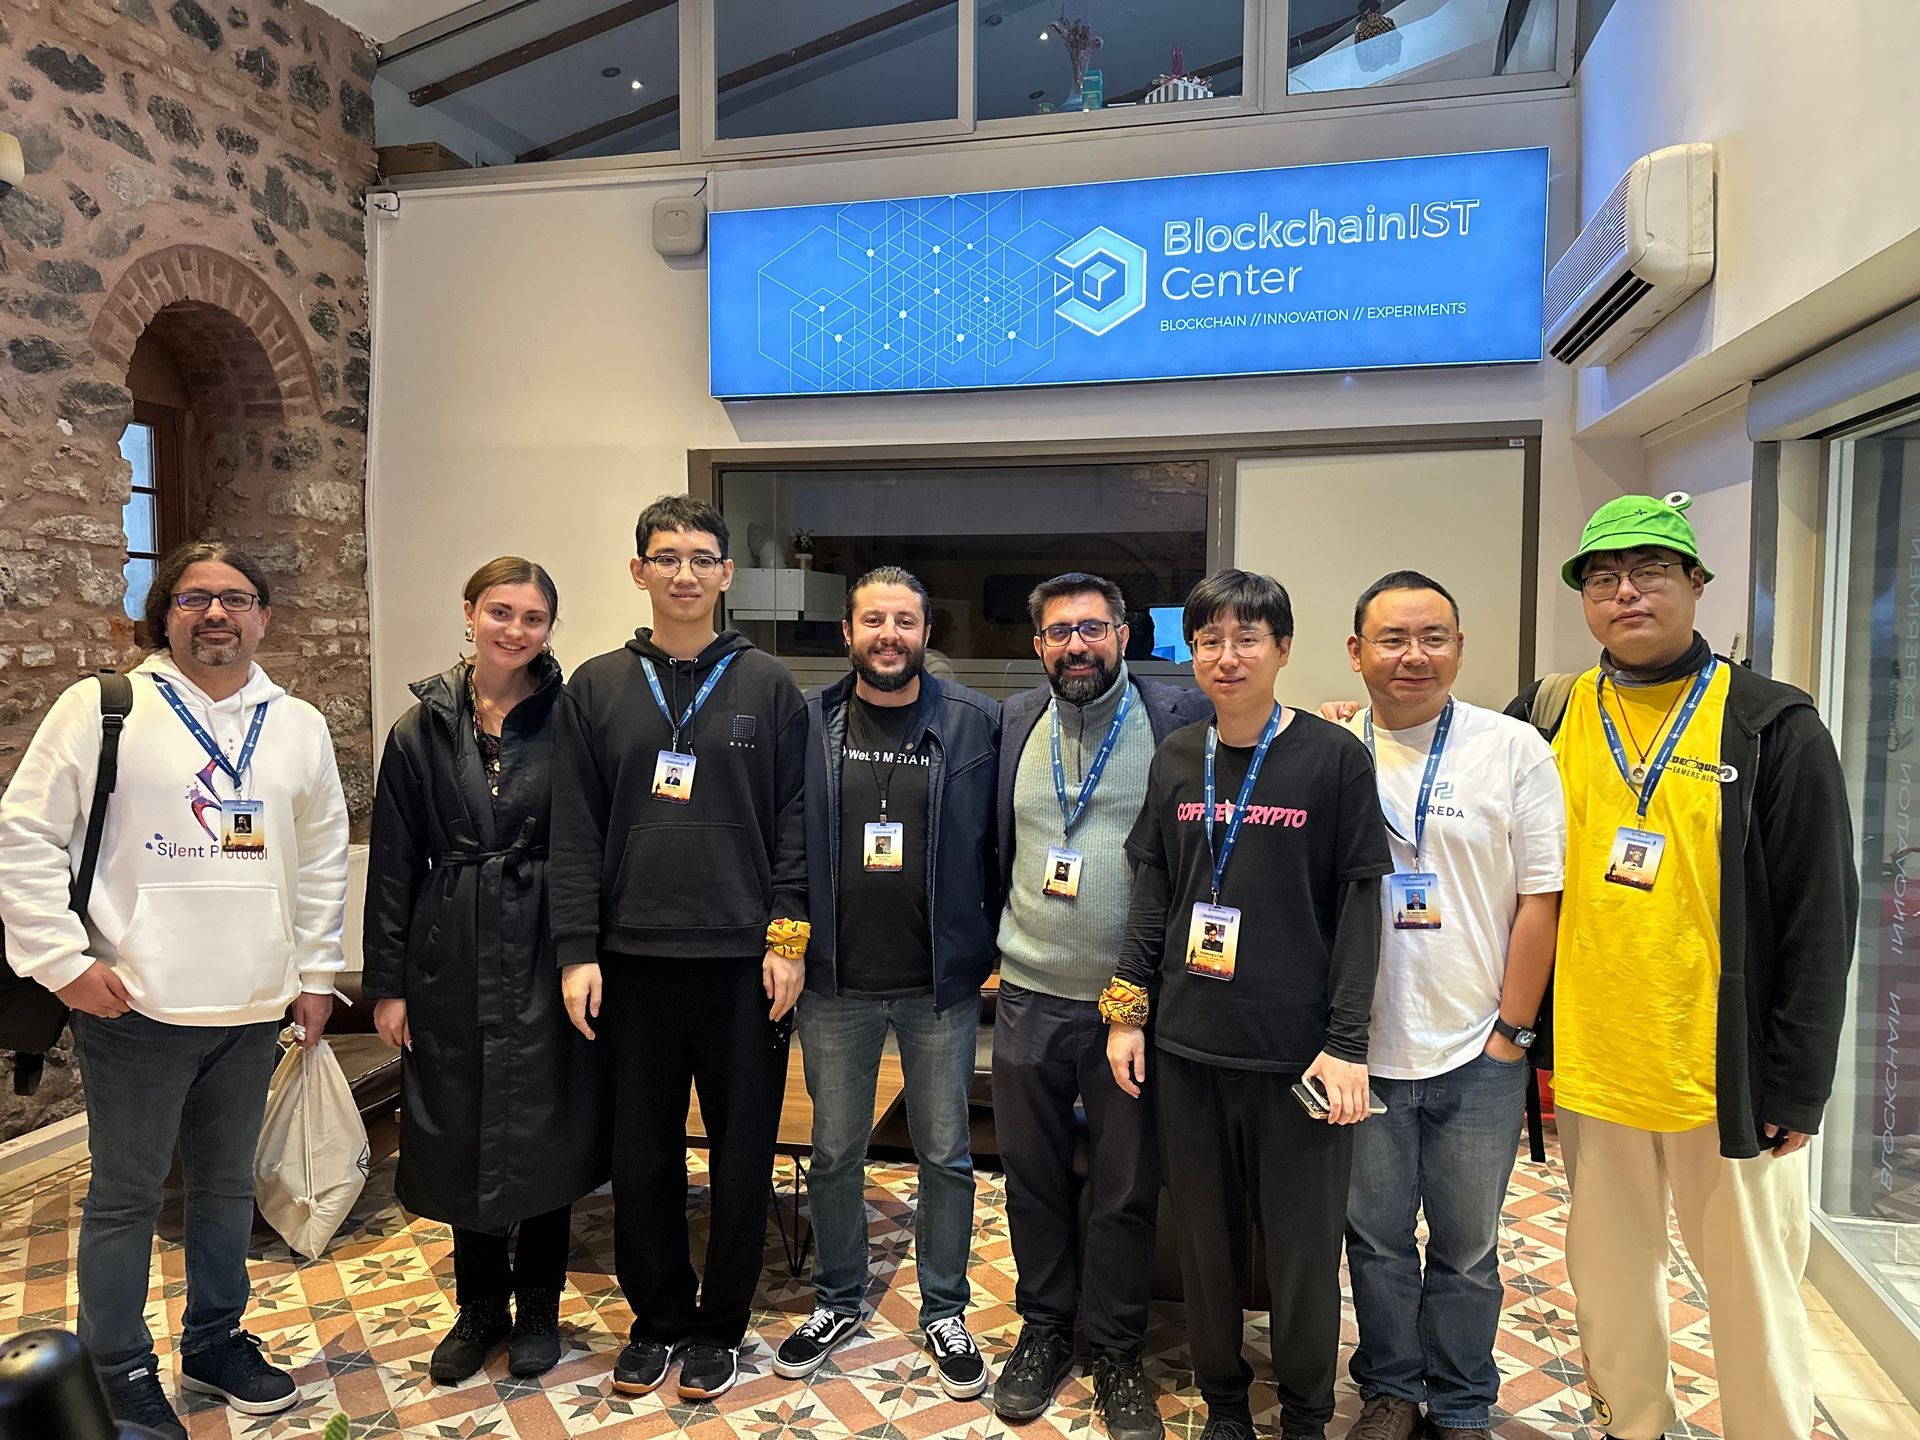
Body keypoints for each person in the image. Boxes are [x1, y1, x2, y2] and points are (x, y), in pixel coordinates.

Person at [1513, 493, 1858, 1440]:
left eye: (1651, 571)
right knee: (1611, 1286)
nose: (1626, 593)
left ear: (1696, 584)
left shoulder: (1772, 725)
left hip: (1726, 1076)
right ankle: (1636, 1426)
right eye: (1604, 577)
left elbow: (1821, 915)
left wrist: (1801, 1081)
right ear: (1584, 597)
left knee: (1753, 1299)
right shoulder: (1549, 714)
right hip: (1593, 1064)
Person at [0, 541, 349, 1440]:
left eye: (237, 598)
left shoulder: (298, 725)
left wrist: (314, 976)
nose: (217, 616)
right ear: (166, 616)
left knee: (228, 1188)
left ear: (265, 615)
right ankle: (116, 1367)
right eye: (195, 600)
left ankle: (216, 1341)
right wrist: (62, 961)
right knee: (125, 1196)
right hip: (138, 1008)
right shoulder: (103, 708)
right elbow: (27, 832)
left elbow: (318, 863)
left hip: (251, 1007)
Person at [1103, 570, 1390, 1440]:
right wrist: (1127, 1008)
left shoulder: (1333, 759)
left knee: (1304, 1257)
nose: (1226, 658)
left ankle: (1304, 1411)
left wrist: (1347, 1043)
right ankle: (1224, 1402)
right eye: (1209, 642)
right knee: (1207, 1248)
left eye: (1247, 639)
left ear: (1283, 649)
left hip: (1298, 1057)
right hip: (1190, 1049)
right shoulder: (1179, 758)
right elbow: (1154, 888)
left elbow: (1357, 906)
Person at [548, 494, 808, 1403]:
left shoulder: (770, 685)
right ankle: (656, 1319)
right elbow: (573, 831)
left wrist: (788, 940)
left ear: (727, 574)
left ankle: (719, 1327)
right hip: (631, 964)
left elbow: (796, 824)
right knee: (644, 1152)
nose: (685, 573)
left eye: (702, 557)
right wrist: (577, 950)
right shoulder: (597, 686)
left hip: (743, 967)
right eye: (667, 558)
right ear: (639, 572)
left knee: (744, 1153)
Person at [362, 557, 608, 1384]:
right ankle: (479, 1308)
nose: (515, 630)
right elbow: (393, 863)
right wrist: (387, 983)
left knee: (545, 1118)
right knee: (462, 1120)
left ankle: (539, 1303)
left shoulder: (572, 718)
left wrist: (586, 949)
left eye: (533, 618)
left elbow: (591, 843)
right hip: (452, 943)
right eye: (500, 612)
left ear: (549, 629)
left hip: (547, 938)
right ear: (469, 613)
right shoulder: (418, 728)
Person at [1338, 571, 1565, 1440]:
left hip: (1480, 1051)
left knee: (1468, 1249)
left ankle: (1463, 1400)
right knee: (1378, 1240)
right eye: (1392, 639)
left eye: (1433, 636)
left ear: (1460, 648)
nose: (1413, 656)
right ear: (1356, 652)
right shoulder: (1331, 750)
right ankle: (1392, 1388)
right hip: (1363, 1051)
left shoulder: (1512, 749)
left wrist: (1512, 1034)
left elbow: (1541, 898)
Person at [990, 571, 1209, 1437]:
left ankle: (1116, 1349)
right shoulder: (1013, 722)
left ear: (1124, 634)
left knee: (1124, 1190)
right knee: (1032, 1181)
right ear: (1036, 645)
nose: (1074, 646)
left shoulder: (1177, 716)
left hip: (1131, 1008)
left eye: (1091, 628)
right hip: (1027, 997)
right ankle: (1045, 1329)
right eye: (1056, 632)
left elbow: (1265, 729)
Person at [773, 567, 1001, 1398]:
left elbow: (998, 841)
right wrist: (788, 939)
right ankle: (837, 1297)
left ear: (926, 632)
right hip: (834, 982)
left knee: (946, 1153)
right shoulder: (808, 722)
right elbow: (785, 844)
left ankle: (944, 1307)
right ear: (847, 632)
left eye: (904, 620)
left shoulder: (975, 723)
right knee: (834, 1152)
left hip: (938, 984)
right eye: (874, 620)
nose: (889, 635)